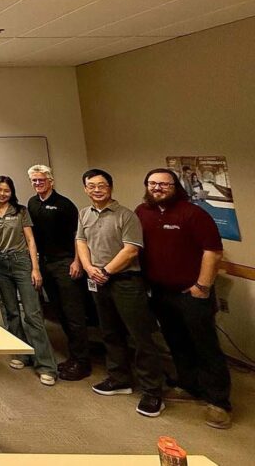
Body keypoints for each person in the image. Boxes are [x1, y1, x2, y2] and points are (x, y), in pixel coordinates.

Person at [136, 168, 231, 428]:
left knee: (205, 346)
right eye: (152, 183)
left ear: (175, 187)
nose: (157, 188)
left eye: (164, 184)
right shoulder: (142, 212)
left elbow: (213, 252)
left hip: (192, 293)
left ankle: (218, 401)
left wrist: (202, 286)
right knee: (176, 342)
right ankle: (189, 385)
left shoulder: (193, 214)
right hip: (160, 293)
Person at [75, 169, 166, 418]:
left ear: (110, 188)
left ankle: (152, 391)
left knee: (140, 336)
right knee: (110, 332)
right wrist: (88, 268)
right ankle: (119, 379)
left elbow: (131, 250)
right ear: (85, 189)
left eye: (102, 185)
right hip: (98, 280)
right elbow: (81, 242)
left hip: (126, 281)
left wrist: (105, 271)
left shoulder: (126, 215)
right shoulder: (84, 213)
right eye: (91, 186)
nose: (96, 190)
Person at [0, 177, 58, 386]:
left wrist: (35, 268)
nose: (2, 194)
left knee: (32, 314)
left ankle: (46, 365)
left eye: (6, 190)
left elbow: (31, 240)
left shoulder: (21, 211)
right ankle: (23, 353)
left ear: (11, 192)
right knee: (10, 311)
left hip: (21, 262)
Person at [27, 165, 92, 381]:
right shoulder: (32, 203)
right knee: (59, 311)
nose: (38, 183)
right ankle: (75, 355)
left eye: (41, 180)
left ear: (51, 181)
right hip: (45, 263)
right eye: (34, 180)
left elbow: (78, 236)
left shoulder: (65, 205)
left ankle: (82, 362)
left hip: (66, 263)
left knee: (73, 313)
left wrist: (77, 262)